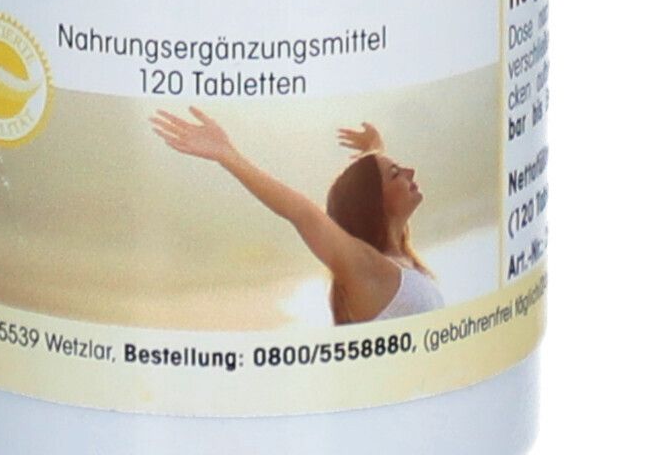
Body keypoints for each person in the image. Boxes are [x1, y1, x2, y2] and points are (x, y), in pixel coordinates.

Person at [151, 107, 444, 324]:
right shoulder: (368, 269)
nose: (410, 172)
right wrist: (227, 154)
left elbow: (371, 183)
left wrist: (375, 149)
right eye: (396, 173)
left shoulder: (396, 262)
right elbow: (300, 212)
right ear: (373, 202)